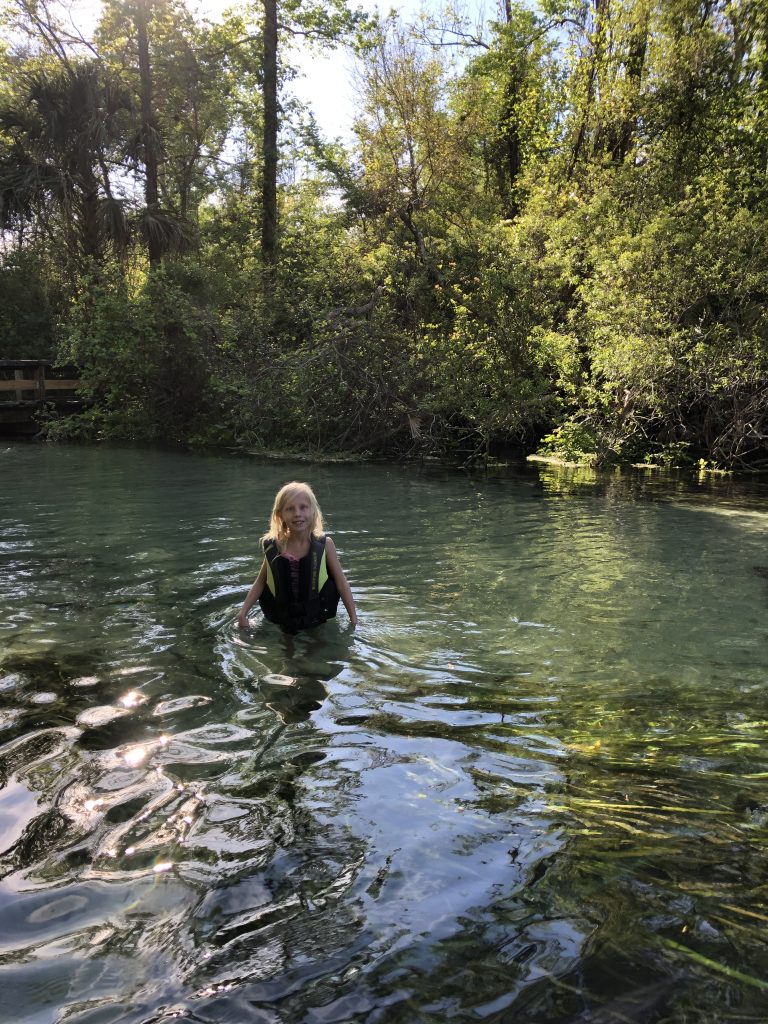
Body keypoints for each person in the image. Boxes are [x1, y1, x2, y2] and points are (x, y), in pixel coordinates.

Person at [237, 481, 358, 633]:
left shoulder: (325, 544)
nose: (297, 514)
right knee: (287, 653)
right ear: (280, 515)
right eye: (290, 509)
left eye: (303, 507)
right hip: (283, 615)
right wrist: (242, 614)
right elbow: (260, 582)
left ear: (313, 511)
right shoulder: (275, 546)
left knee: (316, 651)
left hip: (316, 615)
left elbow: (341, 582)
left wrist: (353, 619)